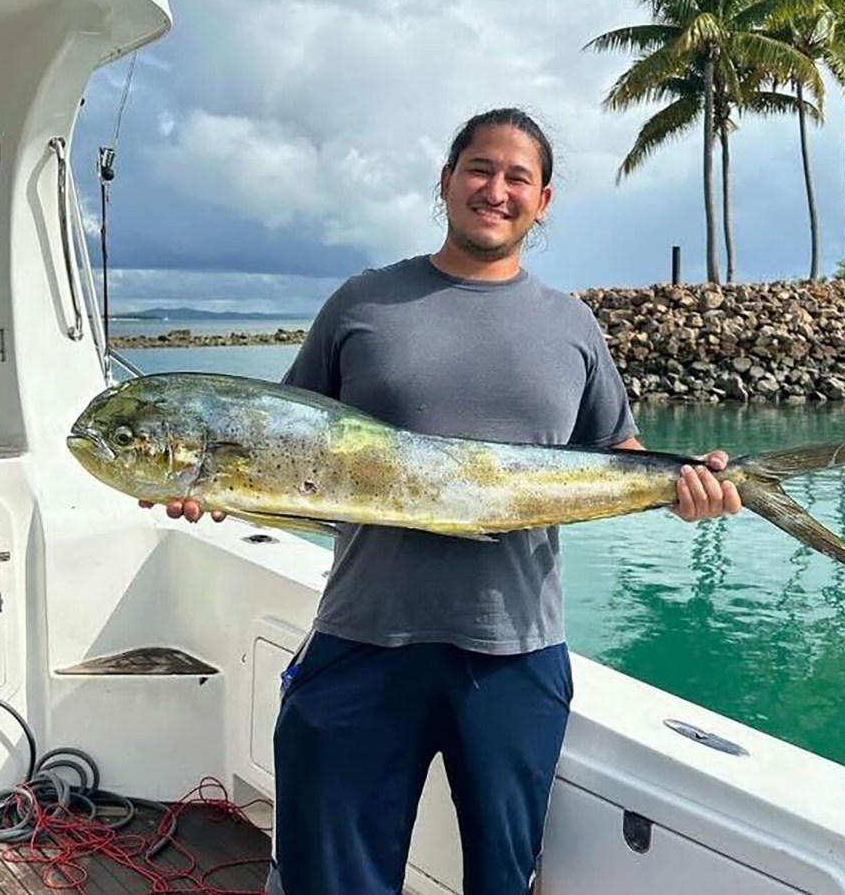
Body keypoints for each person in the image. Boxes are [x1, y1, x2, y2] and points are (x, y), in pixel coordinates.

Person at [144, 107, 742, 895]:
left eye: (516, 177)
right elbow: (277, 439)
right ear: (447, 180)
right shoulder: (363, 302)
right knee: (332, 878)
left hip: (515, 654)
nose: (496, 190)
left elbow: (615, 456)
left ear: (544, 199)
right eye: (480, 169)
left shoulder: (573, 325)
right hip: (364, 637)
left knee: (503, 879)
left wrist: (686, 484)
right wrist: (211, 484)